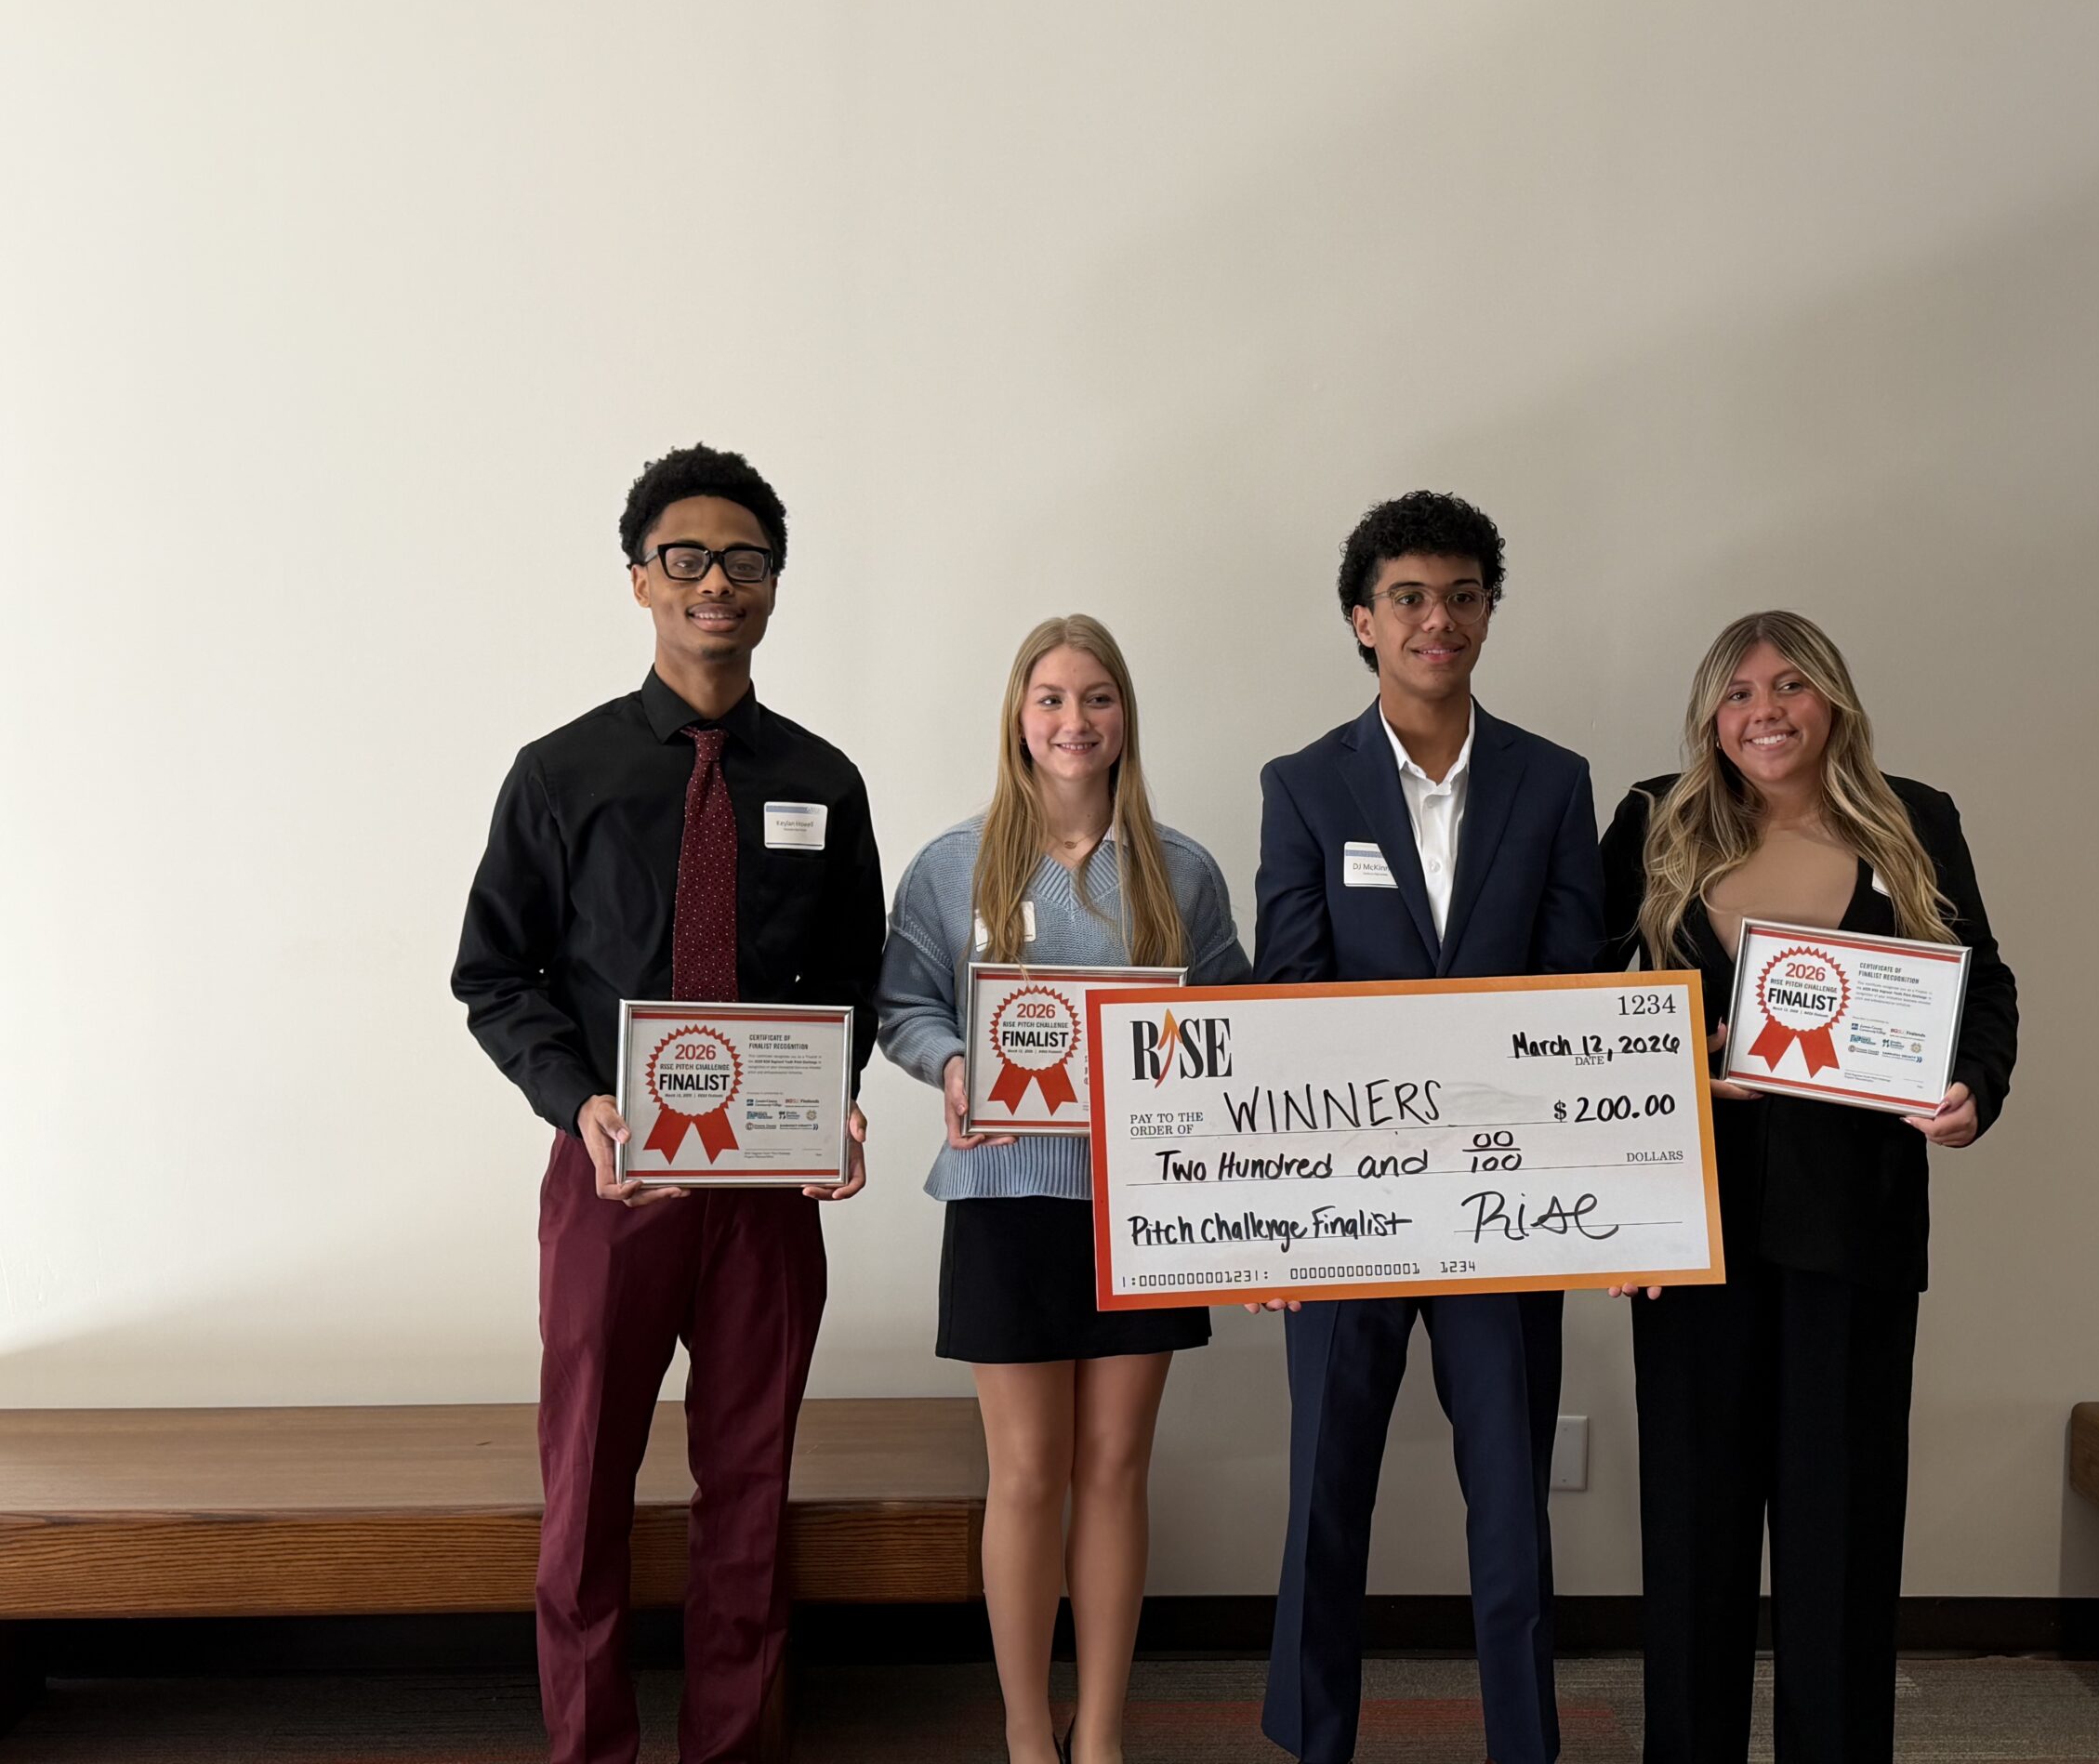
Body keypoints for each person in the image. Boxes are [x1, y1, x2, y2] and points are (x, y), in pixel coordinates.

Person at [454, 444, 881, 1764]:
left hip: (768, 1198)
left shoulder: (823, 780)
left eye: (744, 562)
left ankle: (731, 1747)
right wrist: (578, 1101)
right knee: (585, 1487)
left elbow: (853, 979)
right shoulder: (561, 773)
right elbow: (495, 973)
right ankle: (590, 1747)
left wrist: (836, 1102)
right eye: (685, 558)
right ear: (640, 579)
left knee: (747, 1494)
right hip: (613, 1183)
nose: (716, 583)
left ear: (774, 586)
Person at [1596, 610, 2018, 1764]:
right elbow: (1577, 1008)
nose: (1764, 711)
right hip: (1688, 1226)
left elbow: (1983, 985)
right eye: (1736, 693)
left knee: (1841, 1535)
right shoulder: (1652, 819)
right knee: (1694, 1531)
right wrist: (1677, 1068)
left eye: (1789, 685)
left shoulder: (1915, 819)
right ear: (1708, 717)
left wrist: (1975, 1089)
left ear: (1831, 698)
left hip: (1856, 1226)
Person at [1249, 492, 1602, 1764]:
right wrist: (1275, 1221)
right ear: (1364, 620)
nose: (1435, 619)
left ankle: (1525, 1747)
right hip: (1347, 1207)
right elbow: (1288, 997)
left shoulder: (1553, 782)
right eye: (1408, 597)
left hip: (1506, 1202)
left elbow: (1574, 995)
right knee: (1323, 1495)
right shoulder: (1303, 786)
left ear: (1488, 615)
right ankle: (1312, 1743)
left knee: (1509, 1500)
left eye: (1461, 596)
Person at [877, 614, 1249, 1764]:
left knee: (1115, 1469)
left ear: (1124, 715)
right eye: (1050, 698)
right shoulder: (952, 863)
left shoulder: (1181, 868)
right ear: (1017, 715)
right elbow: (904, 1004)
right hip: (1004, 1199)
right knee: (1028, 1474)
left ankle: (1104, 1730)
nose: (1072, 720)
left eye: (1096, 697)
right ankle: (1026, 1728)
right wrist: (951, 1062)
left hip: (1145, 1209)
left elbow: (1230, 1017)